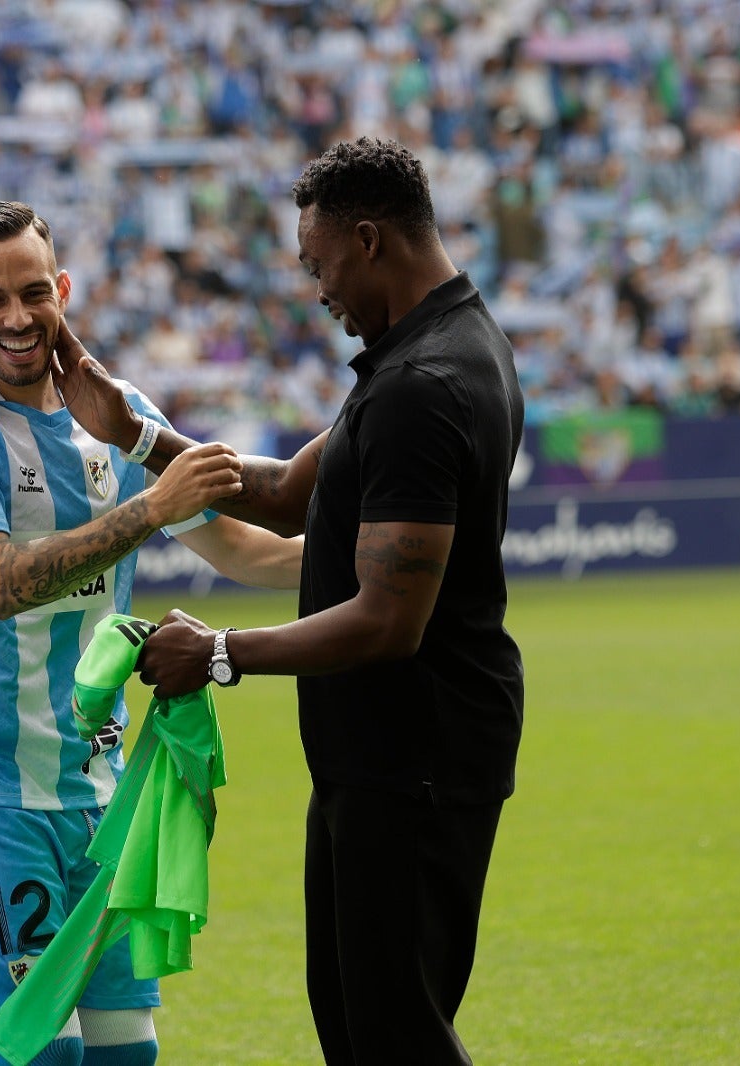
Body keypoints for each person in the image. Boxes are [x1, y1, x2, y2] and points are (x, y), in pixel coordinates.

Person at [54, 137, 526, 1065]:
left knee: (395, 1033)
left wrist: (219, 652)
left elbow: (390, 621)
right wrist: (134, 431)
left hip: (416, 758)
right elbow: (275, 492)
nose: (317, 287)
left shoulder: (423, 386)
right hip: (385, 758)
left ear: (367, 239)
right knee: (357, 1023)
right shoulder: (420, 353)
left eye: (318, 264)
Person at [0, 200, 302, 1066]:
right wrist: (152, 507)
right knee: (50, 1054)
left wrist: (393, 560)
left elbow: (247, 552)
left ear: (63, 290)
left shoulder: (115, 415)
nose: (16, 318)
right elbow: (0, 582)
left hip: (95, 786)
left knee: (125, 1050)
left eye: (33, 292)